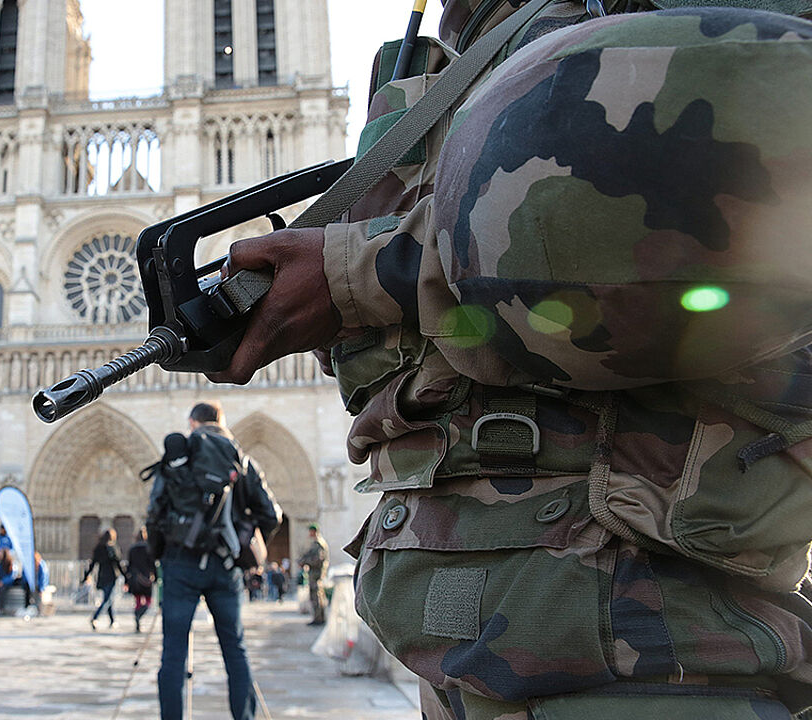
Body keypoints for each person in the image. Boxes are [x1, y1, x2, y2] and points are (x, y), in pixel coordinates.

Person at [201, 2, 812, 717]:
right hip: (465, 644)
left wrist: (365, 273)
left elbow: (738, 160)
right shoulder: (446, 56)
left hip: (654, 648)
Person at [149, 402, 282, 720]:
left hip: (179, 565)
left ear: (192, 423)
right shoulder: (241, 460)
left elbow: (154, 513)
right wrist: (244, 546)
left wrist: (159, 556)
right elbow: (272, 515)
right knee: (235, 650)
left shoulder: (177, 458)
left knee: (173, 653)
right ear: (221, 423)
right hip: (224, 566)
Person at [83, 529, 124, 631]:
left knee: (109, 598)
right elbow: (118, 563)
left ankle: (112, 620)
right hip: (111, 576)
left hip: (101, 576)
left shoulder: (99, 548)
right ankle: (95, 618)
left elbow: (93, 563)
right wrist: (126, 576)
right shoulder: (112, 548)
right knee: (107, 600)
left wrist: (86, 576)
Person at [125, 527, 156, 633]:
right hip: (146, 578)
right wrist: (155, 576)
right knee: (148, 601)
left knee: (137, 600)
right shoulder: (149, 548)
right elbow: (153, 563)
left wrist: (126, 580)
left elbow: (129, 565)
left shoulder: (132, 549)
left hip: (134, 578)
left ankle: (137, 618)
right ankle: (139, 614)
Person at [298, 524, 328, 625]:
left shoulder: (319, 544)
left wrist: (305, 562)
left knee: (316, 596)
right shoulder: (315, 543)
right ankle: (318, 617)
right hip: (314, 573)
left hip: (316, 574)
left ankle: (319, 618)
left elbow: (318, 560)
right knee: (316, 595)